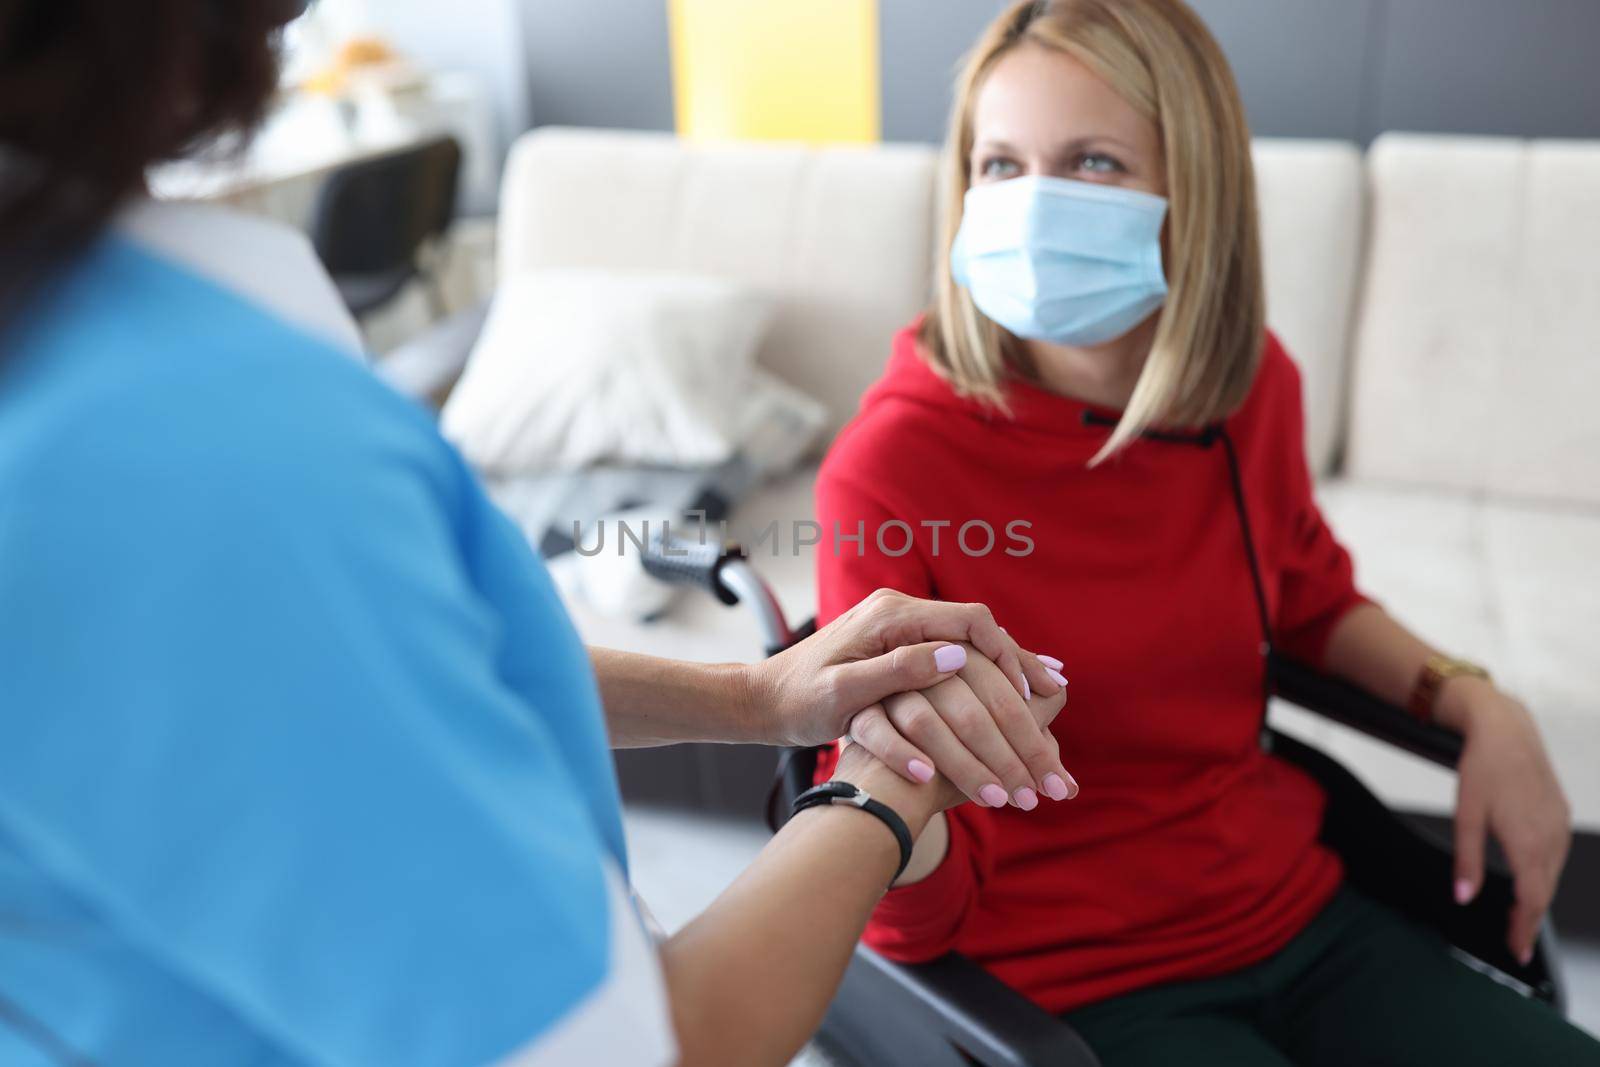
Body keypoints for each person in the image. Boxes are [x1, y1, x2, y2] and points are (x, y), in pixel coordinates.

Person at [0, 4, 1078, 1065]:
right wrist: (886, 787)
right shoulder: (211, 448)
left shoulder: (116, 368)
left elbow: (386, 684)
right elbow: (649, 1045)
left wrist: (756, 697)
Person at [813, 1, 1599, 1063]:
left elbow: (1307, 593)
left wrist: (1475, 697)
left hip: (1292, 912)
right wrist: (893, 815)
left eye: (1092, 161)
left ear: (1196, 189)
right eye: (999, 164)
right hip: (1069, 979)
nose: (1034, 204)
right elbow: (889, 881)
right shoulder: (891, 469)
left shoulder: (1247, 390)